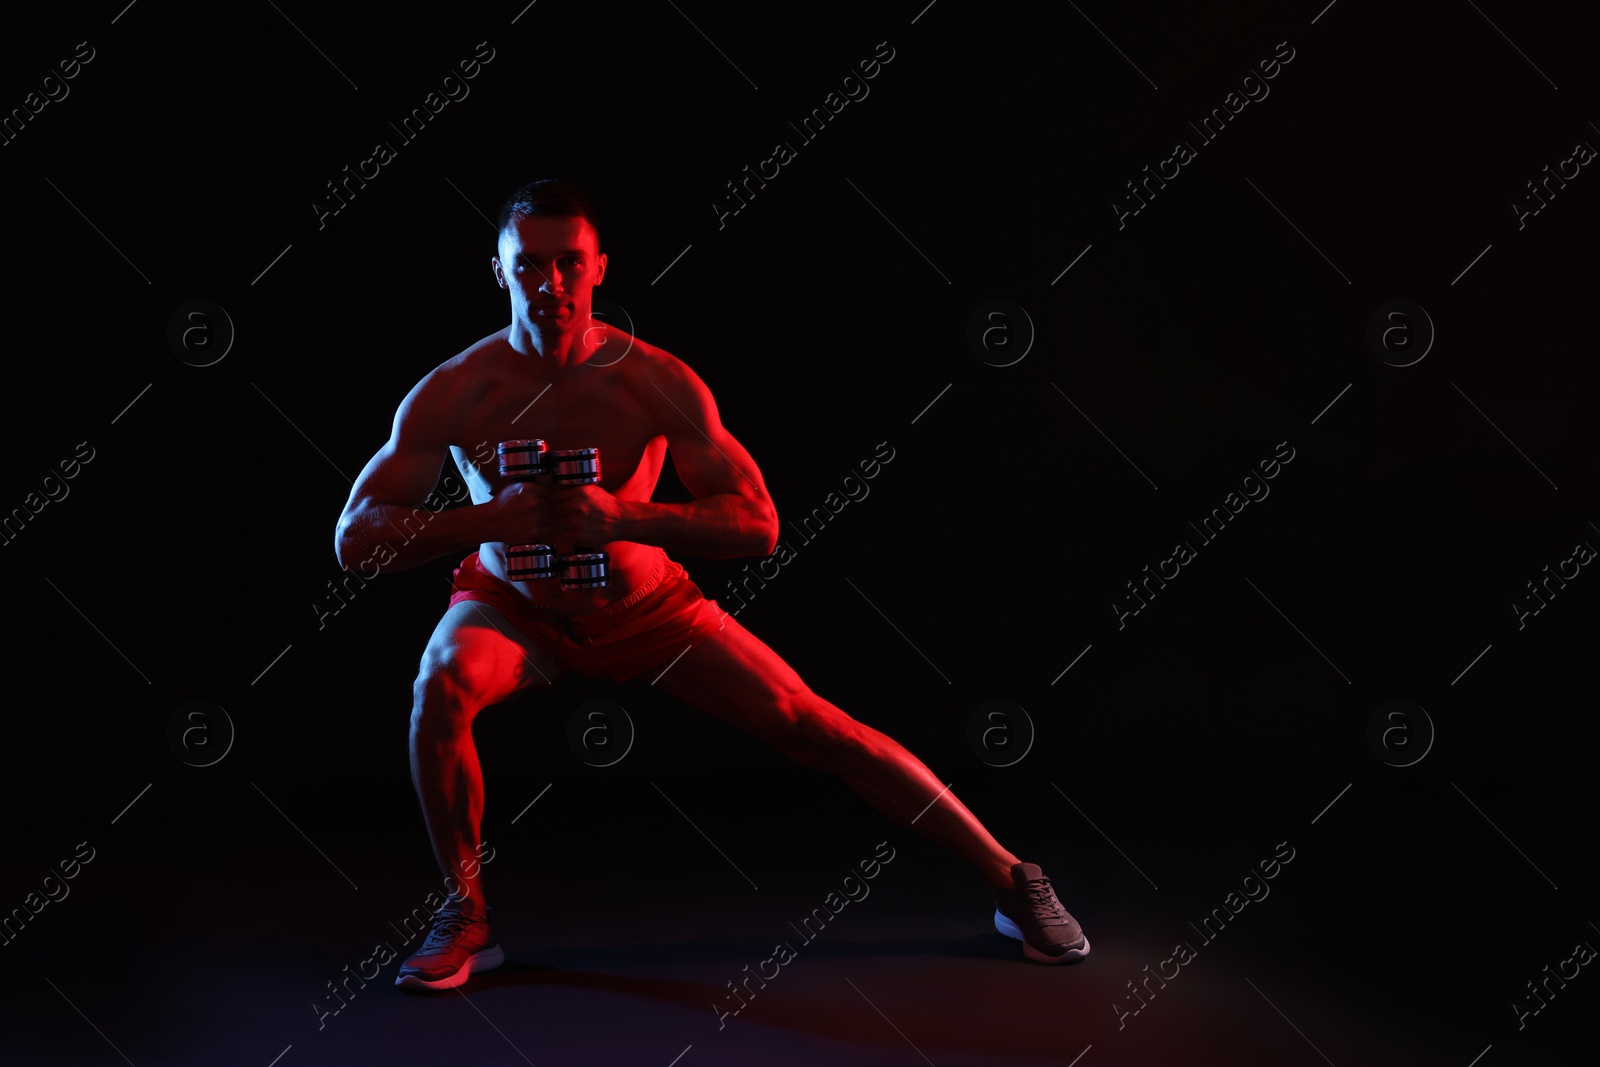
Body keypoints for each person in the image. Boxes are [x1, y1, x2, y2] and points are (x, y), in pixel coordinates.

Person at [332, 179, 1089, 991]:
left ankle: (1013, 876)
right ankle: (466, 913)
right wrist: (489, 521)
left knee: (811, 724)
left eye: (568, 264)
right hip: (511, 606)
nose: (550, 285)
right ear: (499, 270)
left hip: (645, 606)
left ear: (599, 268)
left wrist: (624, 518)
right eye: (530, 267)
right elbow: (355, 539)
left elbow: (757, 523)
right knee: (437, 686)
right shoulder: (455, 390)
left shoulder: (653, 381)